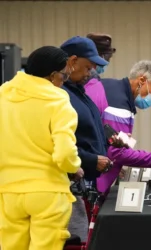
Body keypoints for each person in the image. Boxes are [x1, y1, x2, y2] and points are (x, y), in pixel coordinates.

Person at [0, 46, 83, 250]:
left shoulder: (3, 95)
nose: (64, 82)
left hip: (8, 191)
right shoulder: (58, 101)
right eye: (64, 76)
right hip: (48, 192)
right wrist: (75, 167)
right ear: (53, 75)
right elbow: (64, 153)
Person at [85, 60, 151, 194]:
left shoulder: (108, 86)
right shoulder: (118, 105)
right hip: (89, 180)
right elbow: (117, 153)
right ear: (142, 80)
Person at [60, 36, 112, 242]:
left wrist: (107, 141)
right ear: (72, 62)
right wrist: (90, 160)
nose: (90, 72)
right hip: (67, 184)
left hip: (83, 184)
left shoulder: (79, 92)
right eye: (87, 67)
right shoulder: (60, 95)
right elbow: (58, 144)